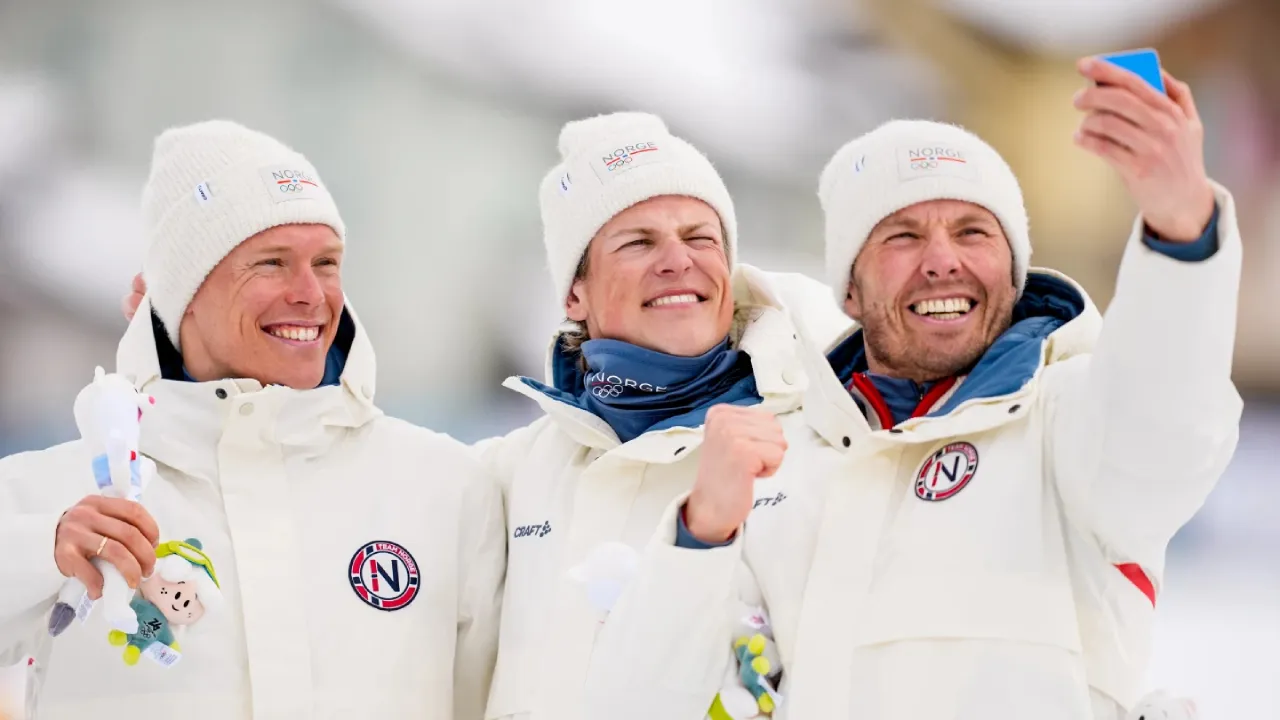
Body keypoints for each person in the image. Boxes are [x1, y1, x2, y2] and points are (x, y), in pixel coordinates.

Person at [587, 58, 1242, 719]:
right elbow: (650, 705)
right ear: (849, 289)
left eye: (973, 232)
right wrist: (702, 536)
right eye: (903, 235)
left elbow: (1165, 428)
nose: (941, 260)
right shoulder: (777, 468)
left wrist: (1181, 231)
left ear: (1012, 277)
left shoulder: (1069, 423)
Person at [0, 120, 506, 719]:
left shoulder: (445, 486)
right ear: (181, 294)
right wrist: (38, 552)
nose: (311, 293)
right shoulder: (43, 497)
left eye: (326, 261)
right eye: (270, 262)